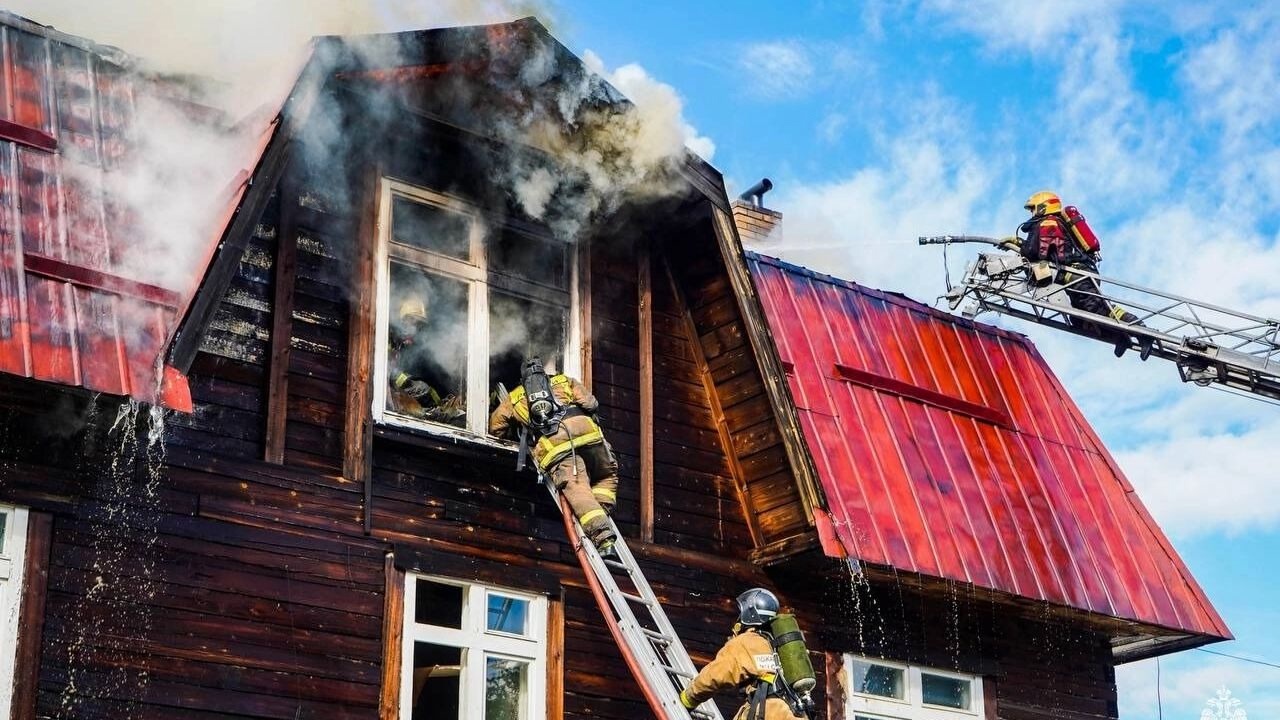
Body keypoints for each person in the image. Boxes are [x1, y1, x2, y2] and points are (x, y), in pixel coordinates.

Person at [488, 357, 620, 555]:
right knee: (606, 476)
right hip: (591, 437)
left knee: (577, 488)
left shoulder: (515, 397)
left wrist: (516, 430)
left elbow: (495, 427)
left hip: (557, 449)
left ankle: (602, 538)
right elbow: (591, 404)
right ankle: (600, 512)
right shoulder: (564, 380)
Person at [1007, 190, 1153, 359]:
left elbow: (1036, 252)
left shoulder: (1049, 223)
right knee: (1079, 320)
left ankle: (1143, 332)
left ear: (1042, 207)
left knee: (1097, 308)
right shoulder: (1053, 223)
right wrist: (1019, 243)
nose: (1031, 213)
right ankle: (1120, 337)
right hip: (1076, 274)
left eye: (1033, 209)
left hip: (1078, 274)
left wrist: (1018, 244)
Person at [679, 588, 805, 720]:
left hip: (767, 712)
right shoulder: (778, 645)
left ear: (749, 613)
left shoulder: (747, 641)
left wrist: (688, 699)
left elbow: (715, 675)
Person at [387, 295, 464, 423]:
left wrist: (429, 394)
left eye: (419, 325)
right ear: (402, 322)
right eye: (412, 322)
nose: (415, 329)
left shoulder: (413, 349)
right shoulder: (388, 341)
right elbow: (388, 374)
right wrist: (412, 384)